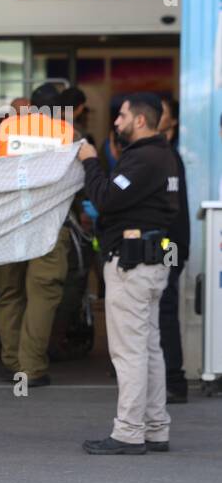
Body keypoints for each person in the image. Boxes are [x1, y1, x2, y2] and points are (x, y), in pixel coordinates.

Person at [76, 93, 179, 455]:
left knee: (130, 352)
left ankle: (129, 432)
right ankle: (154, 427)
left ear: (139, 121)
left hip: (132, 266)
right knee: (150, 347)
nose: (115, 122)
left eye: (120, 116)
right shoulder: (164, 156)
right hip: (150, 263)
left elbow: (105, 198)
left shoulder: (143, 159)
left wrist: (90, 162)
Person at [0, 83, 74, 388]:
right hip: (48, 223)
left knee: (10, 293)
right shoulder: (66, 132)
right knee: (43, 294)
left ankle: (12, 362)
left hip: (8, 224)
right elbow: (80, 176)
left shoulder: (5, 128)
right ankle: (32, 368)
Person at [157, 96, 189, 403]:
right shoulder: (164, 155)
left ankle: (174, 382)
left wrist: (174, 252)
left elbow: (173, 214)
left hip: (169, 244)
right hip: (169, 244)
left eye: (161, 112)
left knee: (165, 309)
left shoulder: (168, 157)